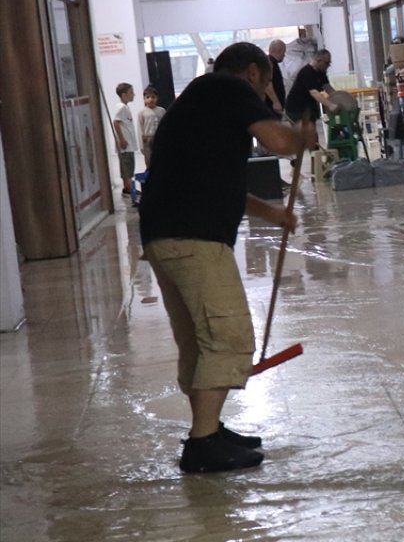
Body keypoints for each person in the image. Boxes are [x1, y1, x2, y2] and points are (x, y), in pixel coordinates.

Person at [140, 42, 317, 472]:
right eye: (267, 83)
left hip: (164, 234)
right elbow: (278, 141)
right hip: (193, 237)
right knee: (228, 335)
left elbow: (217, 185)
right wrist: (302, 137)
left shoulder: (201, 102)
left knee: (199, 341)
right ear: (254, 72)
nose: (265, 95)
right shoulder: (229, 87)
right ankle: (202, 445)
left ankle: (210, 429)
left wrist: (274, 213)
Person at [285, 49, 338, 122]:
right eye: (327, 63)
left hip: (308, 108)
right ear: (319, 60)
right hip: (296, 109)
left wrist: (339, 99)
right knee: (305, 132)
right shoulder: (307, 72)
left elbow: (328, 88)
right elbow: (314, 93)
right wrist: (330, 105)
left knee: (312, 131)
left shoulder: (321, 72)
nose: (328, 65)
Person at [110, 82, 137, 198]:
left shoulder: (125, 107)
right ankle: (127, 188)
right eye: (131, 92)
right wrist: (122, 140)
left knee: (129, 166)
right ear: (124, 94)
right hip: (125, 144)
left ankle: (129, 186)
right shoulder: (121, 108)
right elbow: (116, 122)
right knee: (126, 166)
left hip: (129, 144)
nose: (133, 95)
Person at [137, 85, 166, 164]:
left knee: (160, 158)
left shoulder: (161, 110)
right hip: (148, 138)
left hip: (159, 137)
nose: (151, 99)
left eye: (153, 97)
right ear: (144, 99)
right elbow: (140, 128)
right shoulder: (142, 112)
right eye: (148, 97)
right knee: (150, 160)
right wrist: (141, 144)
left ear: (157, 98)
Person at [264, 39, 287, 116]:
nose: (284, 55)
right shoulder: (269, 62)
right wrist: (275, 102)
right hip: (271, 106)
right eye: (284, 52)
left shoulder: (273, 63)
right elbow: (267, 84)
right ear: (279, 51)